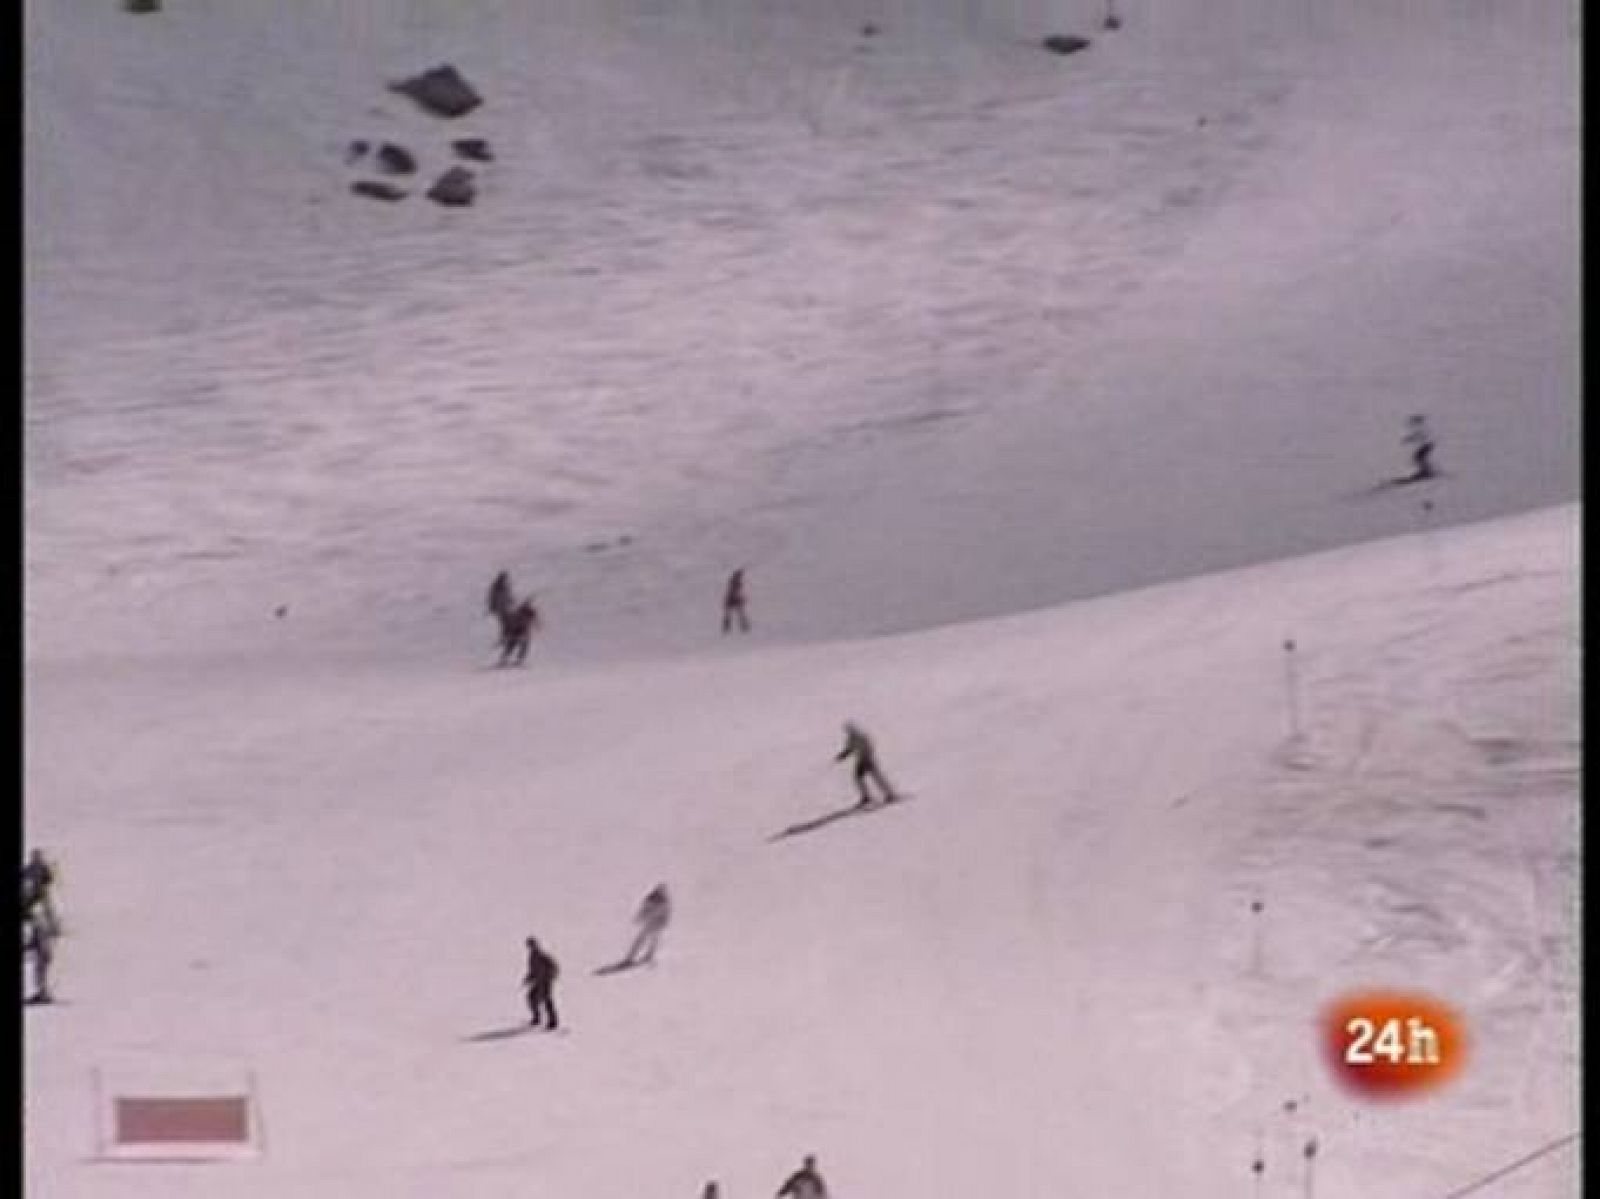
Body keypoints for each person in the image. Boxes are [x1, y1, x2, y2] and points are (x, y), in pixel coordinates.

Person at [835, 722, 897, 806]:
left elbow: (869, 746)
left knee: (875, 777)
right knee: (860, 778)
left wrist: (865, 756)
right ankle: (867, 796)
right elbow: (850, 749)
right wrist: (842, 755)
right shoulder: (851, 739)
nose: (849, 732)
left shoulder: (861, 736)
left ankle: (889, 794)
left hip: (867, 759)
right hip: (861, 759)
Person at [623, 884, 672, 967]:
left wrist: (664, 922)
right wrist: (639, 917)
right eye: (661, 890)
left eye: (663, 890)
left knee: (653, 941)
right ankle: (630, 957)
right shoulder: (651, 898)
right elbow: (644, 909)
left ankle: (649, 956)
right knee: (641, 940)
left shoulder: (665, 901)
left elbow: (666, 913)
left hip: (657, 924)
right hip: (649, 923)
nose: (662, 892)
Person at [522, 936, 560, 1029]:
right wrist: (528, 978)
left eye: (532, 945)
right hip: (538, 982)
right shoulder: (532, 957)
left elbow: (554, 967)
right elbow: (533, 971)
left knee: (547, 1000)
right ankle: (537, 1018)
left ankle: (553, 1021)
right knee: (531, 998)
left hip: (546, 981)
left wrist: (549, 977)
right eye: (529, 945)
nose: (531, 947)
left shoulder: (542, 956)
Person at [21, 850, 59, 939]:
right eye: (35, 857)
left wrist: (45, 881)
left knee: (47, 909)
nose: (36, 859)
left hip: (41, 891)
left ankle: (53, 928)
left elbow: (49, 879)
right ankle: (37, 928)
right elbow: (24, 876)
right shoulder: (30, 867)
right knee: (29, 907)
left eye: (37, 857)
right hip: (34, 892)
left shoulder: (42, 867)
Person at [499, 596, 540, 666]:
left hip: (520, 632)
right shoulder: (523, 612)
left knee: (515, 645)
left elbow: (533, 619)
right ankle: (509, 658)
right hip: (519, 632)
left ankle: (510, 658)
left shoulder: (526, 612)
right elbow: (512, 623)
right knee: (517, 645)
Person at [1402, 414, 1437, 480]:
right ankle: (1427, 470)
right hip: (1427, 444)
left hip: (1427, 444)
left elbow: (1418, 435)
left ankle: (1426, 471)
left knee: (1418, 457)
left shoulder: (1421, 427)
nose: (1412, 423)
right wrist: (1409, 438)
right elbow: (1418, 435)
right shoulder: (1422, 426)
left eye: (1414, 421)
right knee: (1419, 457)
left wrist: (1409, 438)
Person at [722, 568, 750, 634]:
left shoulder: (734, 582)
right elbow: (734, 592)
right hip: (732, 600)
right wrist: (741, 599)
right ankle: (743, 627)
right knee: (738, 614)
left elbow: (735, 592)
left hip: (732, 600)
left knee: (733, 614)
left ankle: (727, 627)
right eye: (740, 575)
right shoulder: (735, 583)